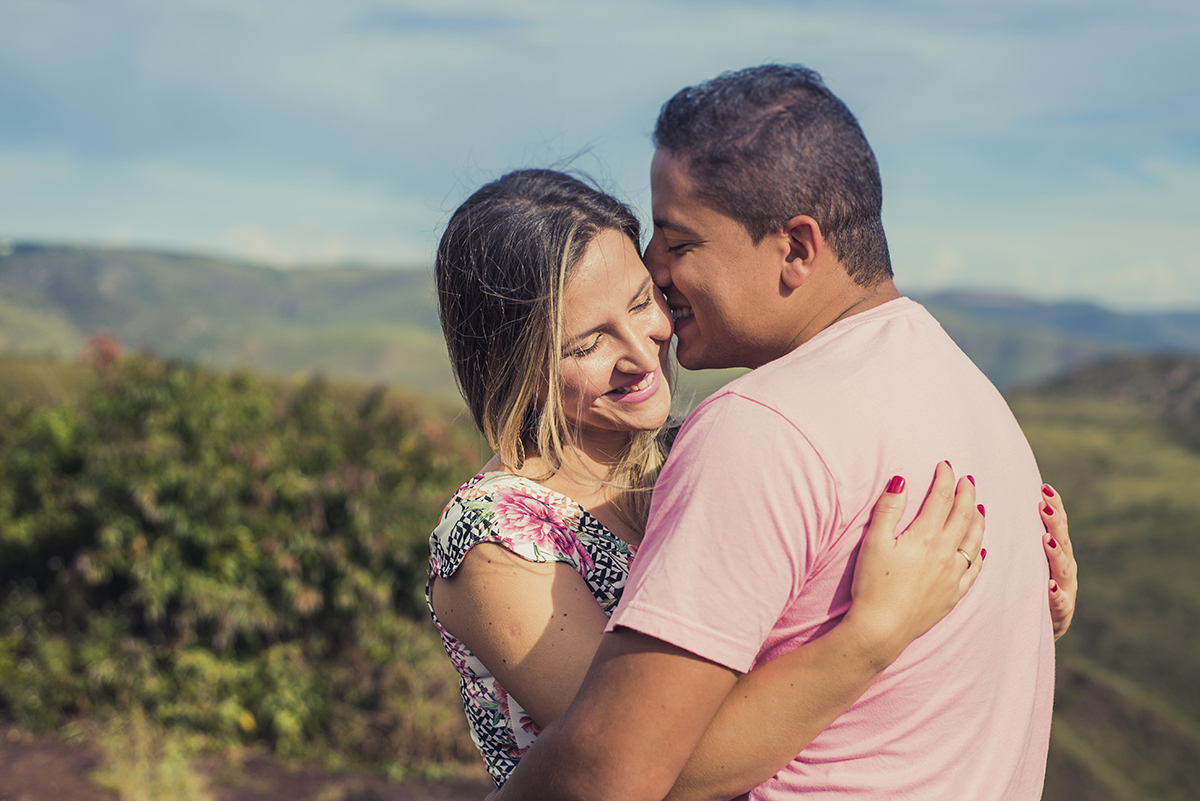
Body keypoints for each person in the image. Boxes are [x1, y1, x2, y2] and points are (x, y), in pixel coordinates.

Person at [487, 65, 1073, 801]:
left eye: (679, 242)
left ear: (797, 248)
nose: (656, 269)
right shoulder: (972, 394)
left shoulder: (762, 429)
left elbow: (614, 774)